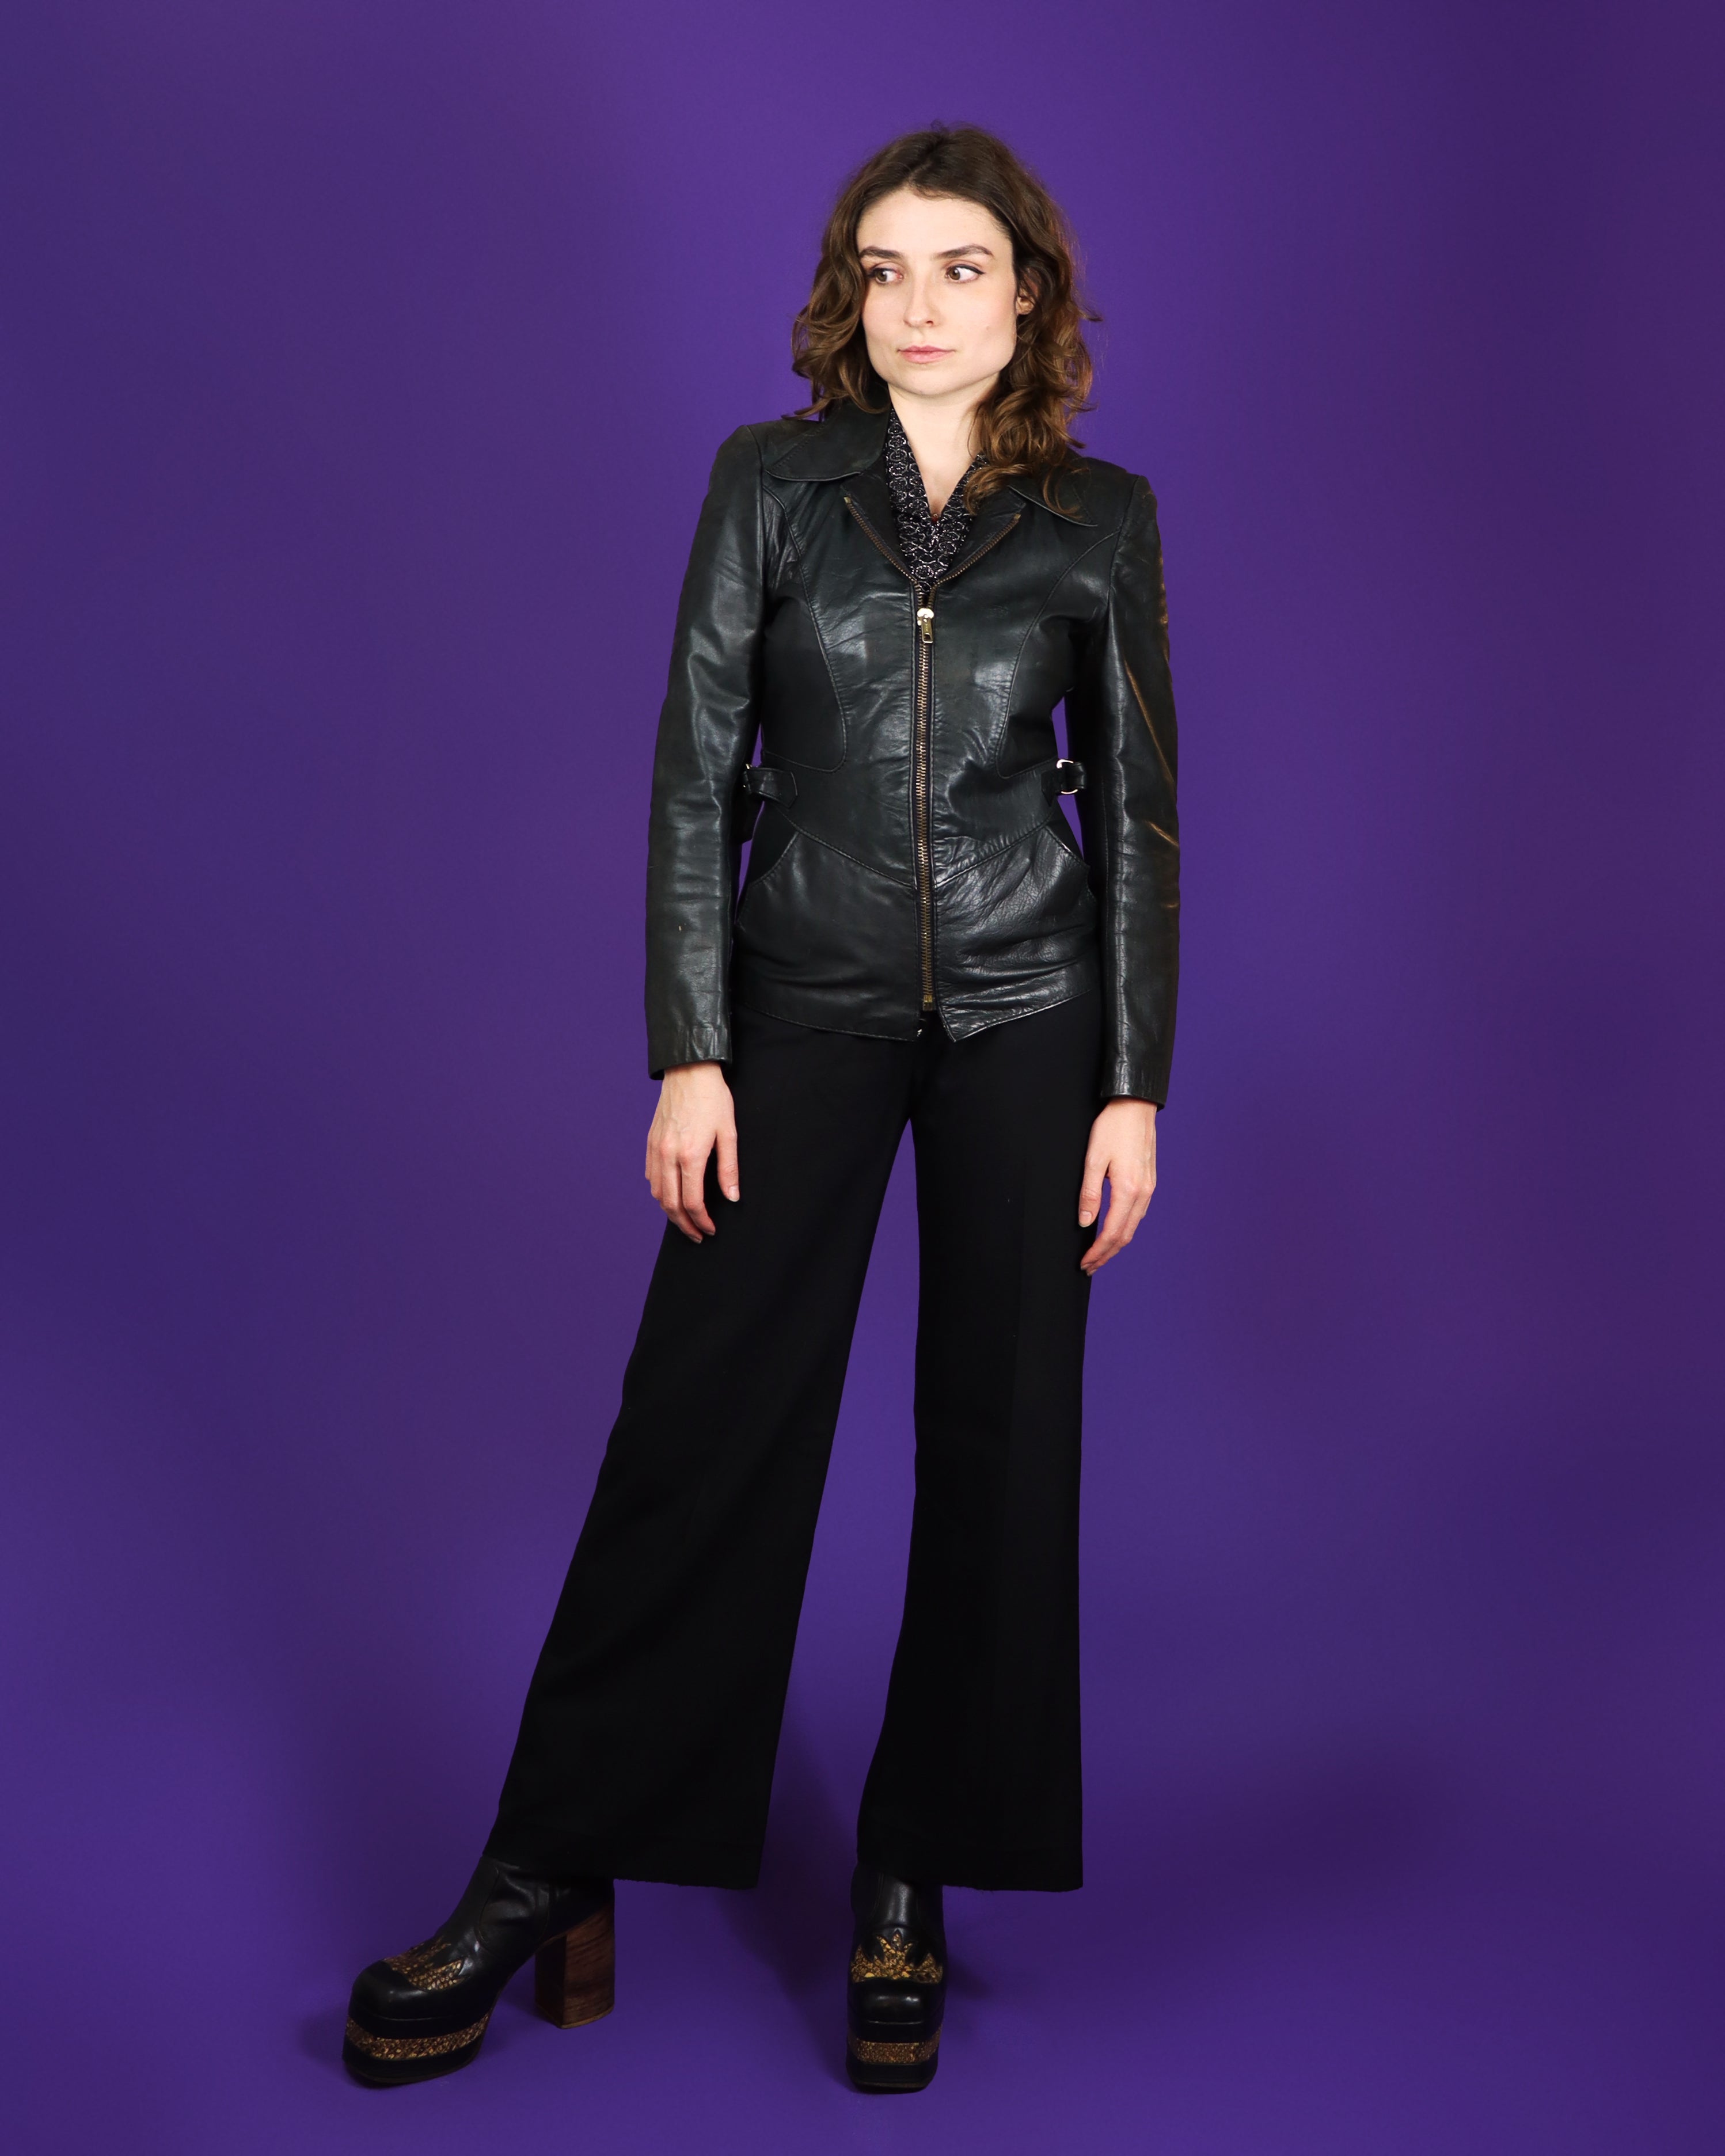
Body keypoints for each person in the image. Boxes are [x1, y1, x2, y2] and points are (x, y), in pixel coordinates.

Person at [342, 121, 1180, 2096]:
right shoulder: (769, 486)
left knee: (999, 1445)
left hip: (1032, 1011)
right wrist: (689, 1044)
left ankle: (909, 1869)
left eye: (959, 269)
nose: (918, 307)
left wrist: (1131, 1083)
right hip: (796, 996)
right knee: (698, 1432)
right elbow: (692, 763)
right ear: (845, 298)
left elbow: (1139, 816)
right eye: (883, 270)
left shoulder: (1100, 519)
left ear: (1028, 297)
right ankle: (550, 1861)